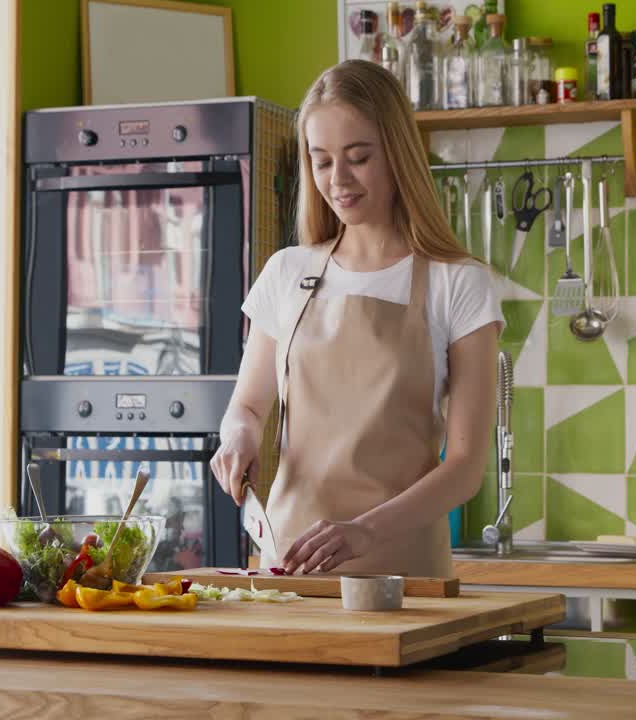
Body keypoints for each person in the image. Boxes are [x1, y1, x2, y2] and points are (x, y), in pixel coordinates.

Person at [210, 59, 505, 578]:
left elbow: (464, 469)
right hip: (290, 569)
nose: (338, 180)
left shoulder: (458, 283)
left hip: (403, 576)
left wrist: (363, 531)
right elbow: (249, 407)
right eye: (321, 162)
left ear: (397, 153)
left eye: (358, 157)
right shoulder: (287, 272)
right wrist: (237, 435)